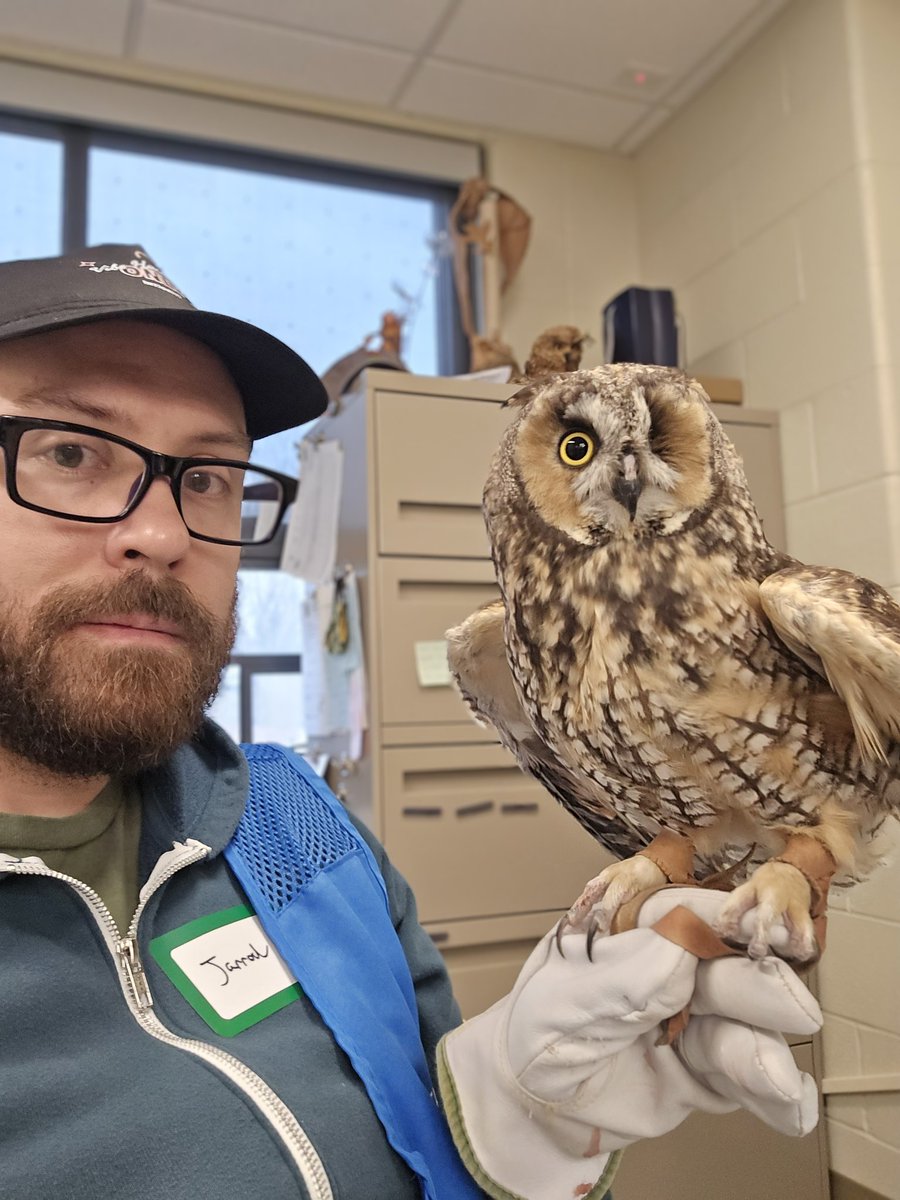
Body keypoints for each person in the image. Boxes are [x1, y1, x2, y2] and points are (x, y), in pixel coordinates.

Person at [0, 244, 822, 1200]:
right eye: (70, 453)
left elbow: (422, 1125)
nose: (166, 533)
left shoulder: (290, 823)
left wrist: (520, 1121)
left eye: (211, 476)